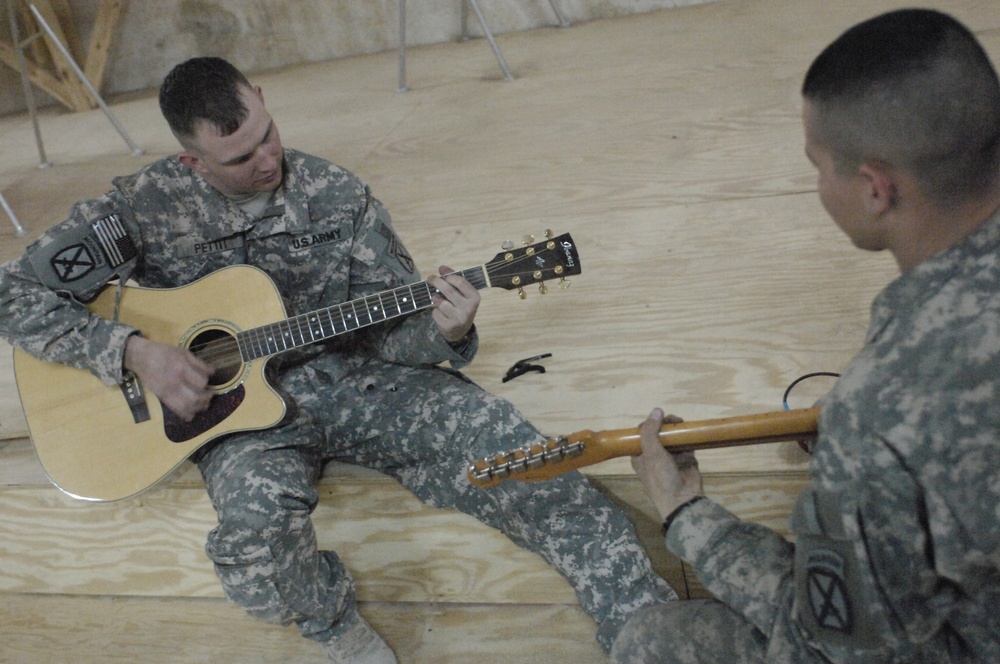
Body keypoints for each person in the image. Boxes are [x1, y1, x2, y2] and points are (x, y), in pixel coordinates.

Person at [0, 57, 676, 662]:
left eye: (266, 132)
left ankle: (645, 625)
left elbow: (391, 332)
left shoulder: (338, 194)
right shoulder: (139, 210)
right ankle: (330, 626)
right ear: (192, 163)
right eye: (239, 158)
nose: (267, 159)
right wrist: (133, 351)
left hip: (351, 379)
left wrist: (443, 331)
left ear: (263, 98)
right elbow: (13, 292)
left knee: (516, 451)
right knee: (256, 555)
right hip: (232, 418)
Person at [611, 8, 1000, 664]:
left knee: (651, 642)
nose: (818, 186)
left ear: (876, 187)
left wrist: (688, 516)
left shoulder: (877, 418)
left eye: (819, 166)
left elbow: (839, 646)